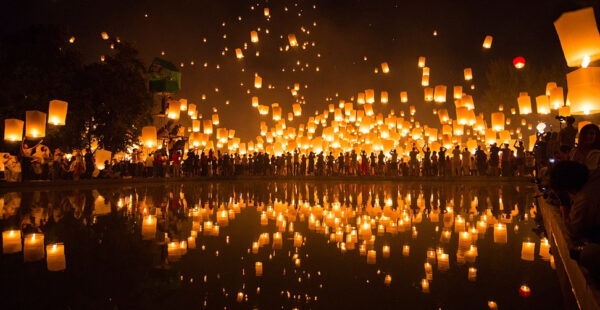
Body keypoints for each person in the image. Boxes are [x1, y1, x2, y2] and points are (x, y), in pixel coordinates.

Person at [550, 161, 600, 278]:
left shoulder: (585, 198)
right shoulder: (595, 175)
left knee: (587, 255)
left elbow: (573, 231)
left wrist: (564, 203)